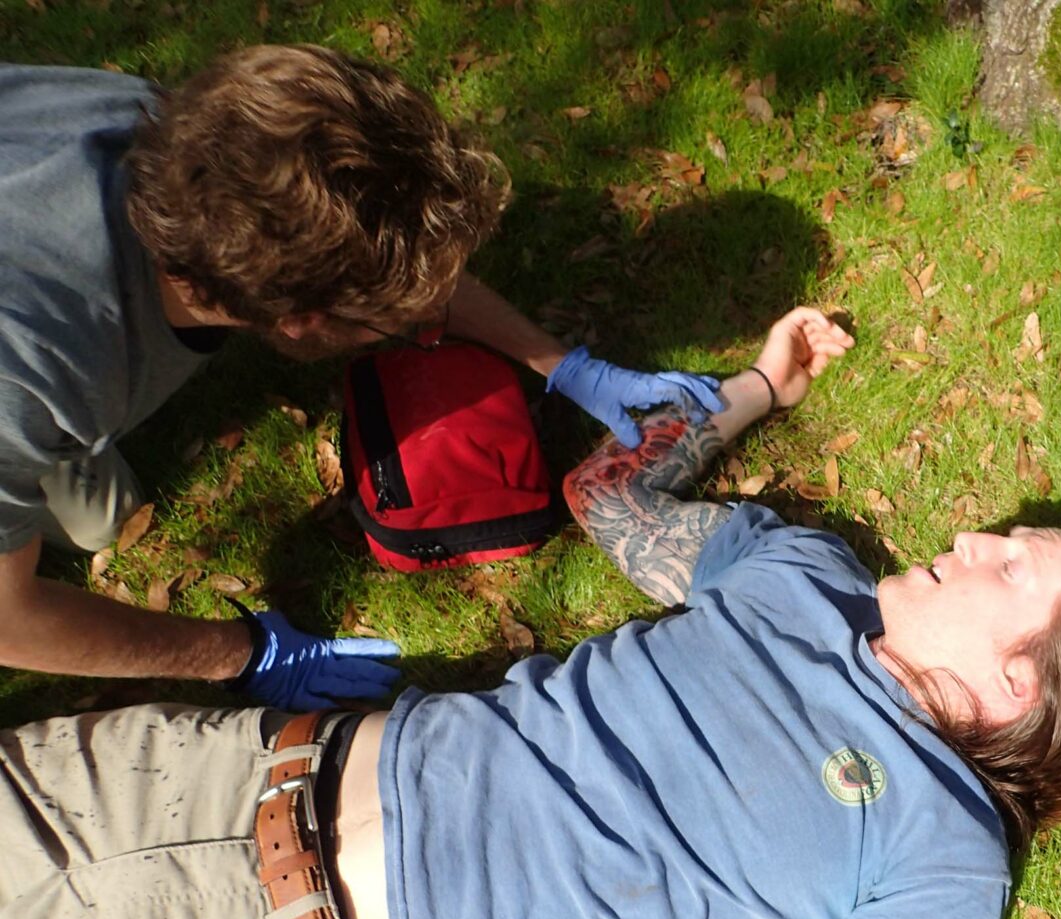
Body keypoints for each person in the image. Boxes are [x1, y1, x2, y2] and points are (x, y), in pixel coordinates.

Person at [0, 308, 1061, 919]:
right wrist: (759, 387)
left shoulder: (945, 855)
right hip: (231, 764)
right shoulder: (807, 578)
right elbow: (611, 499)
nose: (969, 533)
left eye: (1011, 564)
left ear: (1021, 685)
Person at [0, 45, 720, 710]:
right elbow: (12, 621)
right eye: (399, 317)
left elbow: (390, 261)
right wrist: (241, 653)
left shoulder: (192, 137)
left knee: (103, 519)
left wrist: (562, 364)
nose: (426, 320)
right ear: (301, 321)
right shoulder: (35, 378)